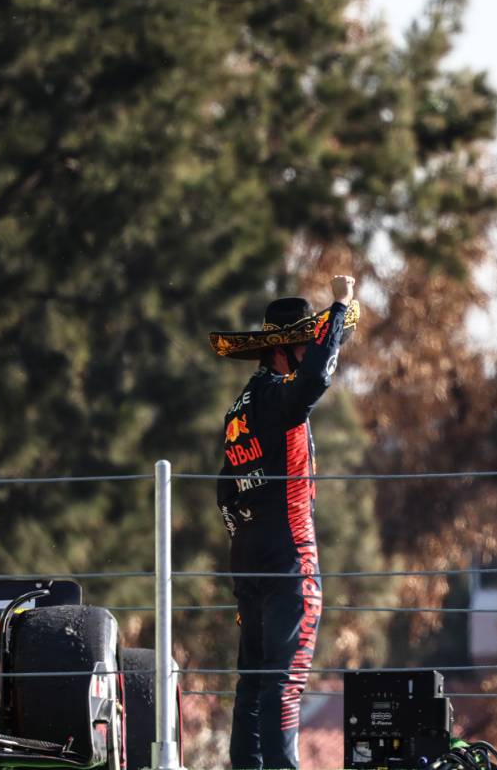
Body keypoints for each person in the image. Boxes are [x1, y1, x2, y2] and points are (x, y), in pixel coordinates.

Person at [208, 275, 359, 770]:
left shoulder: (241, 408)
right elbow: (316, 379)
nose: (311, 350)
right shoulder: (278, 397)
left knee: (252, 681)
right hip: (289, 558)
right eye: (304, 342)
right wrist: (338, 308)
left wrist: (245, 534)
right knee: (284, 682)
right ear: (283, 350)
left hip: (248, 560)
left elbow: (224, 491)